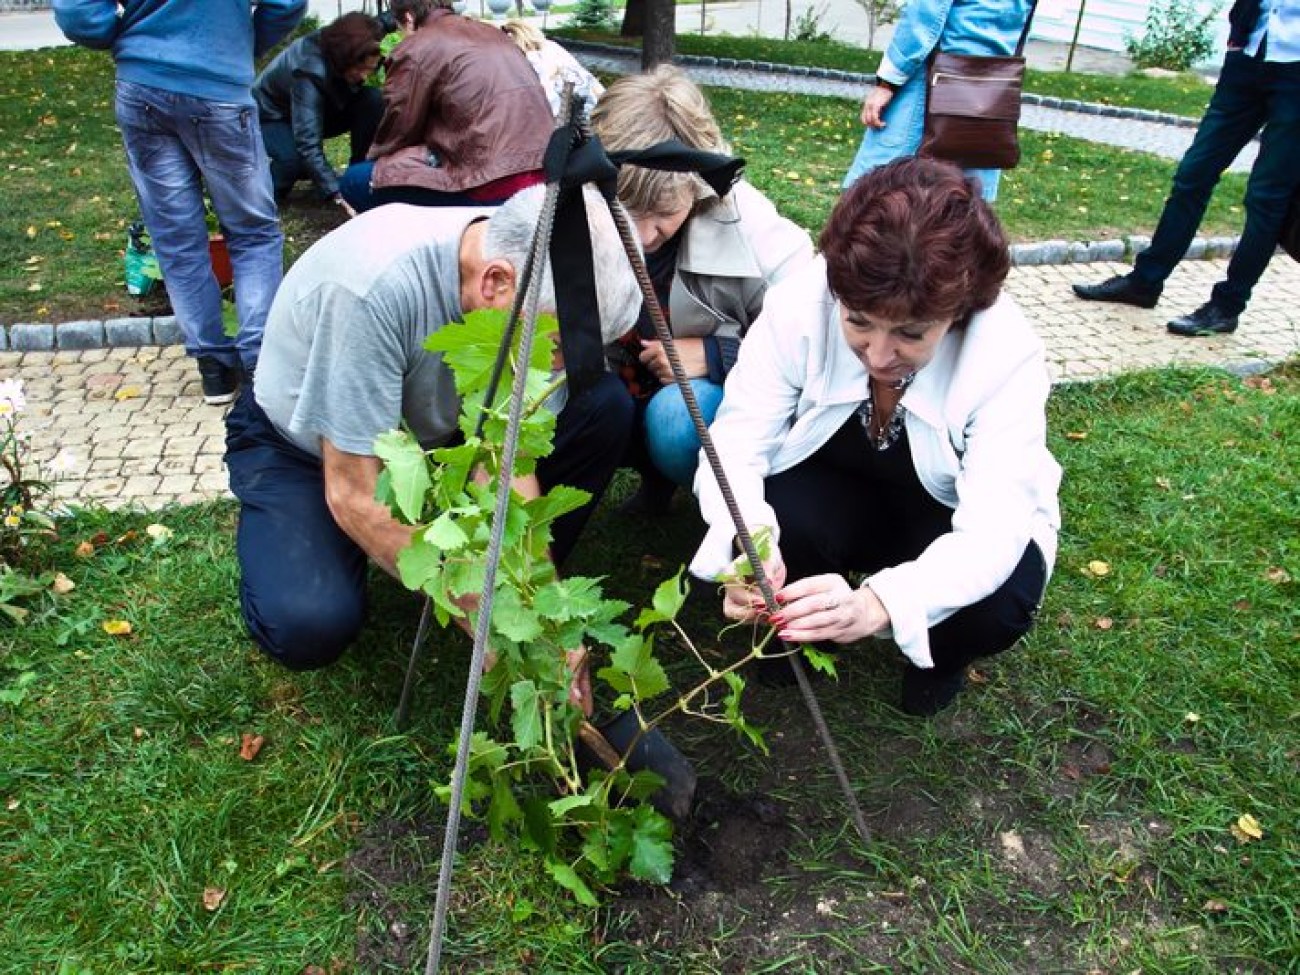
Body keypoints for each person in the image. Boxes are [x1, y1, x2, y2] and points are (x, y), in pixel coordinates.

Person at [691, 158, 1061, 716]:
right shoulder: (798, 305)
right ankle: (798, 628)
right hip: (835, 489)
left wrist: (880, 604)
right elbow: (737, 442)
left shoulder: (1007, 355)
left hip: (942, 516)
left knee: (998, 601)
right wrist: (748, 542)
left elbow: (993, 532)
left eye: (911, 333)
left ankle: (942, 650)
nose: (880, 355)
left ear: (958, 313)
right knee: (780, 525)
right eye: (858, 321)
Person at [225, 185, 642, 672]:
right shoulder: (372, 289)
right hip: (307, 448)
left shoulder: (526, 266)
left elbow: (505, 458)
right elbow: (353, 492)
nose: (555, 369)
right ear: (494, 284)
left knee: (604, 406)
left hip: (435, 439)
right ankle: (310, 538)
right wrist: (487, 615)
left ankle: (481, 576)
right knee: (309, 622)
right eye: (554, 350)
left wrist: (539, 600)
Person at [52, 0, 305, 406]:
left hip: (144, 85)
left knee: (176, 239)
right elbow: (287, 3)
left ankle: (213, 369)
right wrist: (242, 43)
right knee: (253, 233)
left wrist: (124, 36)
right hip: (220, 85)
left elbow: (77, 11)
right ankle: (258, 362)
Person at [590, 66, 814, 513]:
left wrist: (717, 356)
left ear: (695, 184)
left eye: (661, 212)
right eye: (624, 211)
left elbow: (813, 342)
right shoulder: (577, 209)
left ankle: (721, 506)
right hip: (623, 384)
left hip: (704, 397)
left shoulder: (754, 231)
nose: (642, 235)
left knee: (677, 419)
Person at [1072, 0, 1300, 337]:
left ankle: (1227, 306)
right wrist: (1238, 33)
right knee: (1192, 175)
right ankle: (1144, 282)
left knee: (1266, 198)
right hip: (1249, 55)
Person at [337, 5, 554, 212]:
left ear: (409, 18)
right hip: (544, 176)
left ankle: (434, 236)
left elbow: (398, 133)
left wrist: (379, 161)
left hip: (493, 187)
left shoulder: (417, 46)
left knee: (355, 181)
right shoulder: (495, 34)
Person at [842, 0, 1033, 202]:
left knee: (872, 194)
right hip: (990, 92)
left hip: (930, 84)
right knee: (964, 204)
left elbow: (925, 15)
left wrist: (888, 82)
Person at [253, 12, 386, 216]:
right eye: (360, 69)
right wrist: (336, 193)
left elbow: (389, 19)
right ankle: (261, 197)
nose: (364, 76)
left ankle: (357, 175)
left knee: (373, 100)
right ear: (345, 59)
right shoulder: (309, 72)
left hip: (321, 107)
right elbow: (307, 142)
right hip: (274, 115)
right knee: (293, 160)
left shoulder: (357, 39)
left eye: (370, 69)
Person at [501, 19, 605, 120]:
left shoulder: (531, 59)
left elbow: (549, 108)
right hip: (594, 114)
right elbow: (594, 85)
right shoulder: (551, 46)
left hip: (571, 121)